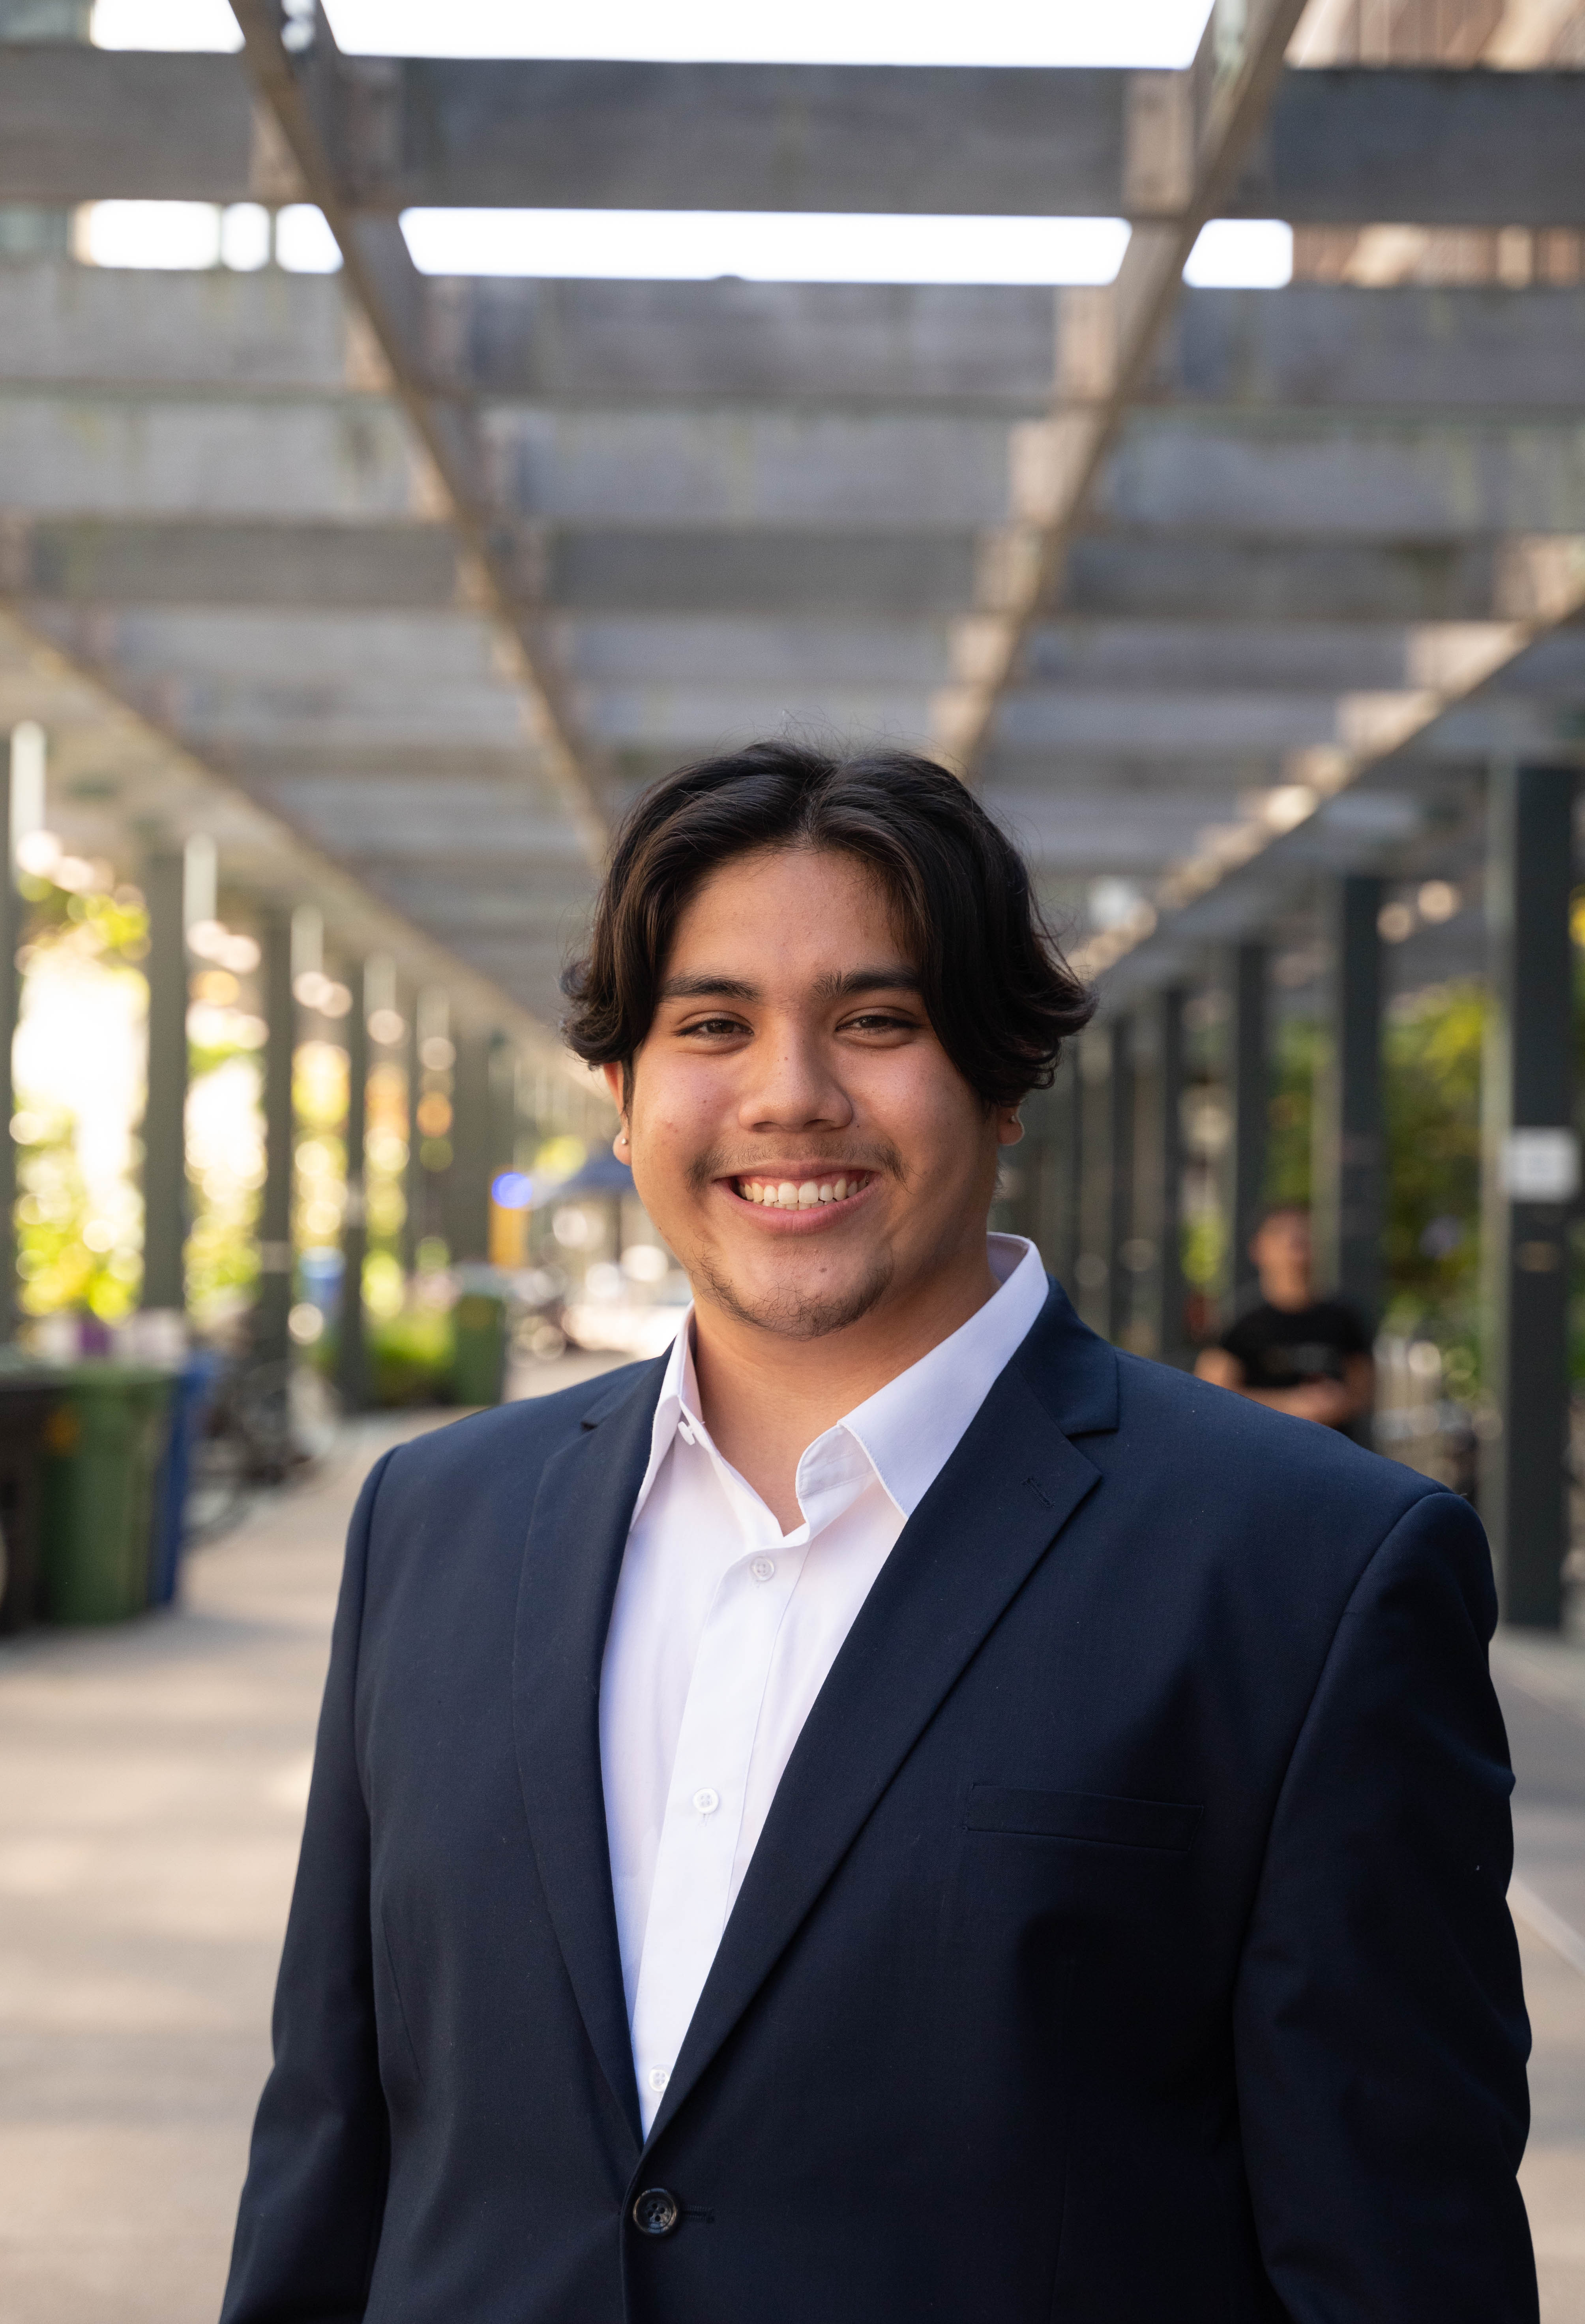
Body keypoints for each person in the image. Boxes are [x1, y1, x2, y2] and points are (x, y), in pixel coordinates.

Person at [220, 742, 1534, 2324]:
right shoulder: (434, 1523)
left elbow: (1396, 2260)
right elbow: (329, 2145)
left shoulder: (1310, 1571)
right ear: (625, 1092)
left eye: (876, 1020)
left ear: (1000, 1079)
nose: (789, 1093)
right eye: (711, 1024)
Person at [1196, 1202, 1375, 1432]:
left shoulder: (1343, 1317)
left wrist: (1333, 1404)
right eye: (1281, 1231)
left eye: (1304, 1231)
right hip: (1262, 1454)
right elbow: (1210, 1395)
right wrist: (1291, 1405)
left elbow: (1362, 1391)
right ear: (1258, 1248)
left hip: (1332, 1455)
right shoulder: (1239, 1321)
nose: (1295, 1239)